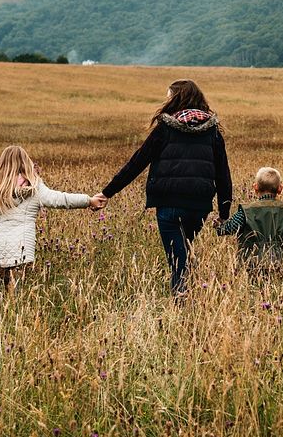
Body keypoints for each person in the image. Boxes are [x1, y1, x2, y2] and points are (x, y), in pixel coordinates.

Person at [96, 79, 232, 296]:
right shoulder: (212, 131)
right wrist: (224, 213)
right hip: (199, 206)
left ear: (176, 99)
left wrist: (107, 192)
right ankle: (192, 290)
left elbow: (137, 163)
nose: (166, 100)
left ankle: (181, 302)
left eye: (169, 96)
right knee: (183, 250)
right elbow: (223, 175)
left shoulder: (165, 129)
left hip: (168, 204)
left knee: (178, 260)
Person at [0, 145, 105, 289]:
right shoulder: (34, 186)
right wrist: (88, 200)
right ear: (26, 163)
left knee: (3, 288)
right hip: (23, 245)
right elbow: (60, 199)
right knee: (19, 290)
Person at [216, 167, 283, 274]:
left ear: (255, 187)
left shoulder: (246, 211)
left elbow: (228, 229)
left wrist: (219, 225)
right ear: (280, 189)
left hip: (252, 264)